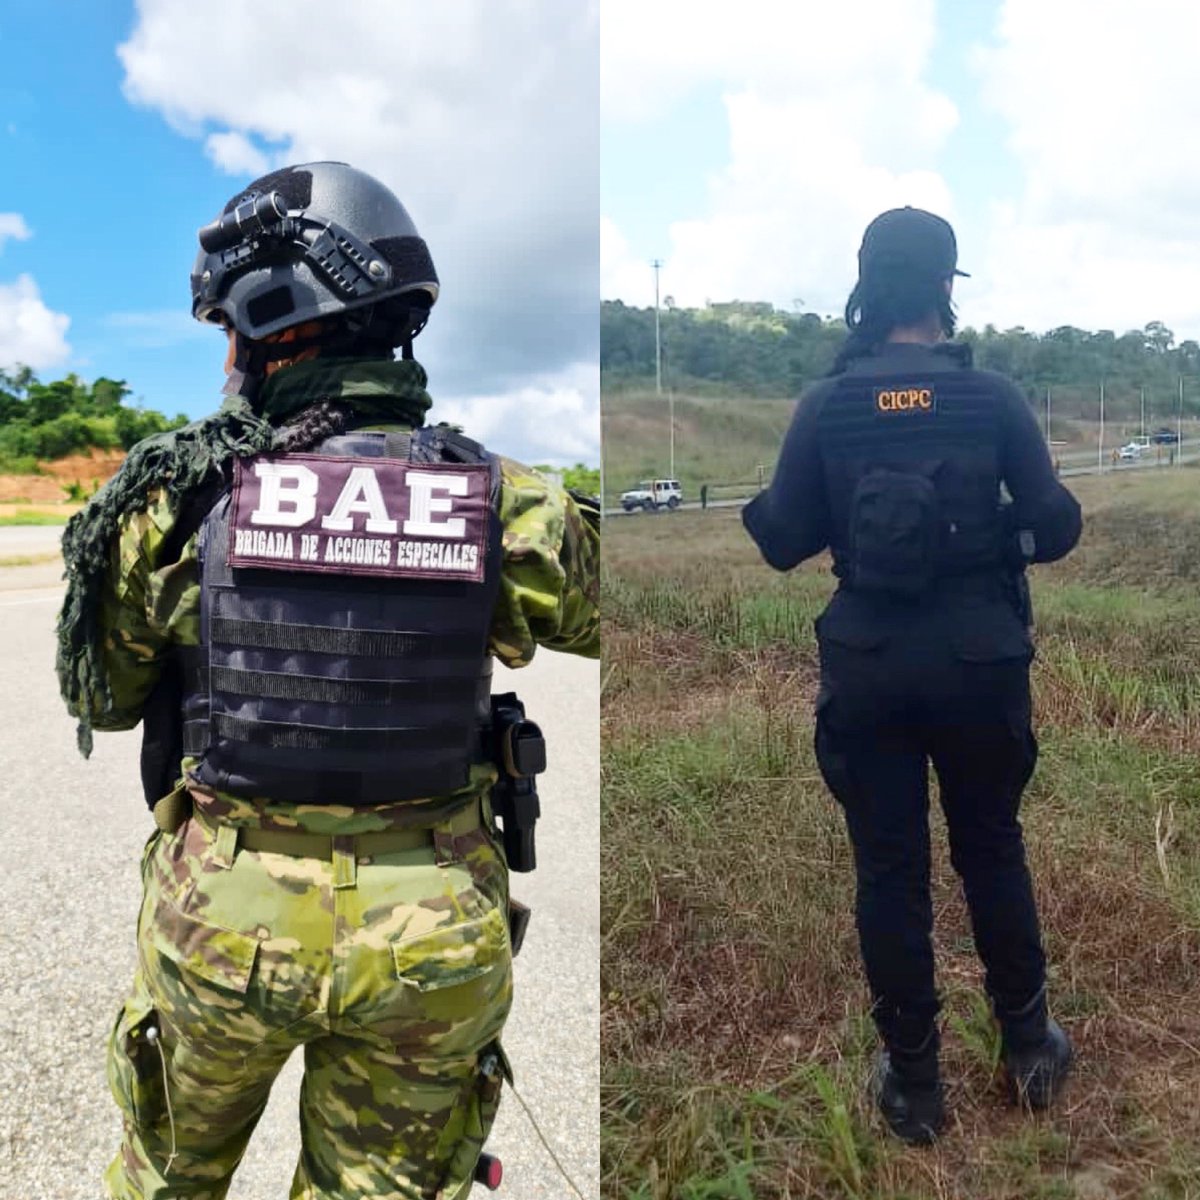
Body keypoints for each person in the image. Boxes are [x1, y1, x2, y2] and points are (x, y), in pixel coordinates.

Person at [56, 161, 599, 1199]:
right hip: (433, 937)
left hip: (222, 922)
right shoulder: (505, 502)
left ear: (275, 318)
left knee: (165, 1180)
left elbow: (106, 699)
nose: (226, 356)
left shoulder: (172, 502)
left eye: (230, 327)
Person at [742, 207, 1081, 1145]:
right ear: (945, 287)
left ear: (865, 284)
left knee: (889, 870)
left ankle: (916, 1084)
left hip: (871, 668)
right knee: (992, 847)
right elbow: (1056, 527)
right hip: (980, 661)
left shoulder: (826, 404)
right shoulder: (995, 399)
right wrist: (999, 527)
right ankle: (1027, 1047)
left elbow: (779, 540)